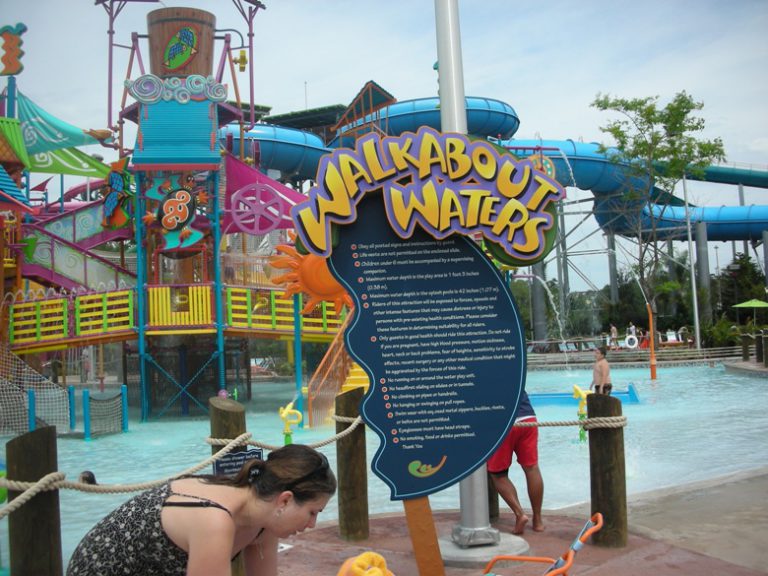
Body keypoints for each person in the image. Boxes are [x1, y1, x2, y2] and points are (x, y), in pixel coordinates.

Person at [67, 444, 336, 576]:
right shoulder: (215, 520)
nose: (311, 524)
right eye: (313, 512)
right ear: (285, 500)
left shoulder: (263, 518)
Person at [487, 391, 544, 534]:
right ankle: (538, 520)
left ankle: (520, 514)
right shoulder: (516, 367)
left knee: (497, 474)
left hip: (502, 421)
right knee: (532, 468)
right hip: (528, 416)